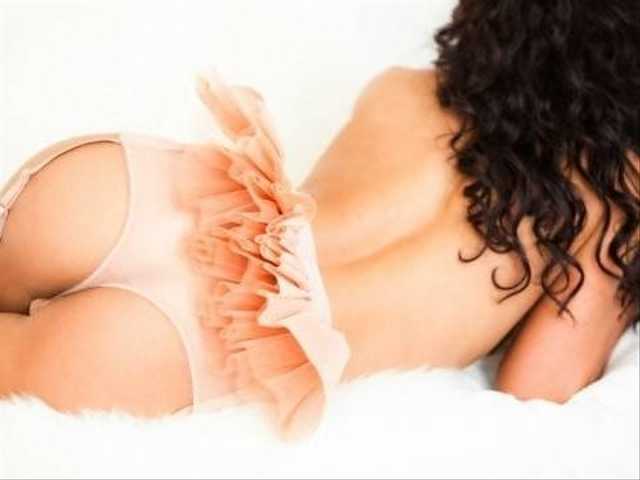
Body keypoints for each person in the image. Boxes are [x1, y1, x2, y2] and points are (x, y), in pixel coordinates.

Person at [0, 0, 637, 441]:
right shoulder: (612, 206)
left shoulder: (403, 87)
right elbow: (535, 391)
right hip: (185, 343)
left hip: (132, 194)